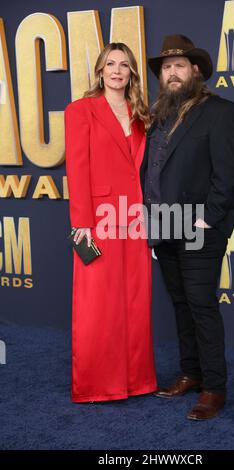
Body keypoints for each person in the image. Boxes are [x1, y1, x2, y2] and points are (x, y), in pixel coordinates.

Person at [140, 35, 234, 420]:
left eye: (179, 65)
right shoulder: (158, 117)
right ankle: (191, 373)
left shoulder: (219, 111)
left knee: (201, 306)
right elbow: (151, 173)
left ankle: (215, 387)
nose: (172, 73)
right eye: (166, 68)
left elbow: (227, 173)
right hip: (163, 225)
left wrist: (208, 217)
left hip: (200, 225)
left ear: (195, 70)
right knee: (181, 304)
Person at [64, 42, 157, 403]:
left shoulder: (140, 114)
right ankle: (96, 384)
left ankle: (137, 381)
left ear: (132, 72)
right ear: (100, 70)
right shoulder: (80, 110)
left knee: (135, 301)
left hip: (134, 220)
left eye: (124, 65)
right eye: (110, 64)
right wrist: (82, 225)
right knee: (97, 305)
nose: (117, 71)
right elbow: (77, 168)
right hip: (98, 221)